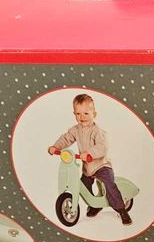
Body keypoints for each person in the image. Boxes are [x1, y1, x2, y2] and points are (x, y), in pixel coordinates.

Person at [47, 94, 131, 225]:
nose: (82, 117)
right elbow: (66, 138)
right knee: (83, 186)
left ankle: (122, 210)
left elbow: (102, 147)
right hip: (88, 168)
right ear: (74, 114)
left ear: (94, 114)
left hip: (101, 166)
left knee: (110, 185)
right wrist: (56, 147)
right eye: (78, 114)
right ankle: (95, 205)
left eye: (86, 113)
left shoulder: (97, 131)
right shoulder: (75, 130)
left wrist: (90, 153)